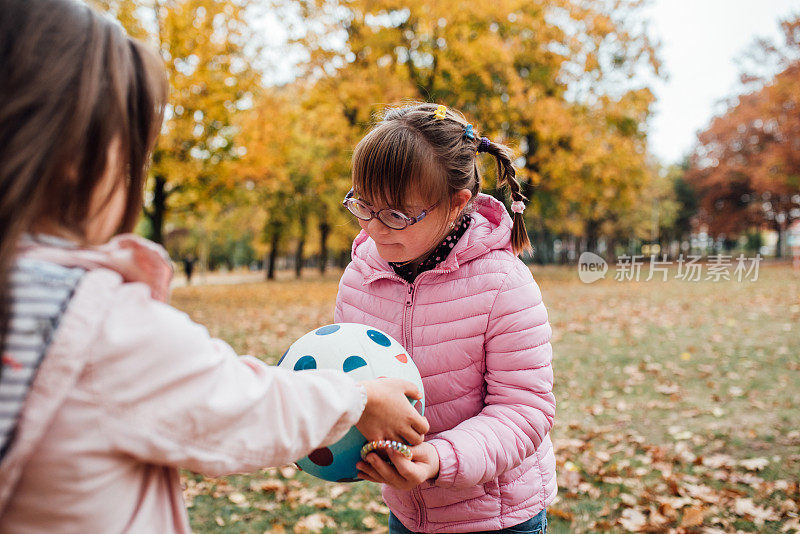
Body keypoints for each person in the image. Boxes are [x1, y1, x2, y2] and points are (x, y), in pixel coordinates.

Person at [0, 1, 428, 532]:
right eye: (134, 150)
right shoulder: (102, 326)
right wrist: (358, 396)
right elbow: (246, 407)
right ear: (75, 157)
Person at [336, 103, 556, 534]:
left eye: (397, 215)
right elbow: (351, 376)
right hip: (406, 513)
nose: (375, 229)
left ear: (456, 204)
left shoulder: (504, 284)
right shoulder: (360, 277)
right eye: (363, 206)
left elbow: (524, 410)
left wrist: (441, 459)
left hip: (498, 517)